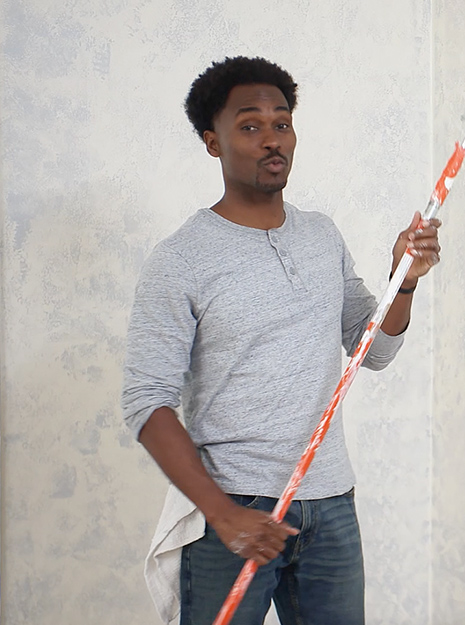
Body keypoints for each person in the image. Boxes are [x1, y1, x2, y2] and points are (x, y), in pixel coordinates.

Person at [122, 56, 440, 625]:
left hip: (331, 505)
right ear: (212, 142)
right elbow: (147, 403)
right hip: (234, 512)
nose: (272, 139)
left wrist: (404, 281)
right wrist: (222, 515)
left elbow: (375, 350)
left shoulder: (321, 235)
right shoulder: (180, 259)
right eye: (250, 125)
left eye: (282, 122)